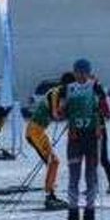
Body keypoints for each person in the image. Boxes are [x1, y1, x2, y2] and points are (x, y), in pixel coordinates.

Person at [55, 58, 110, 220]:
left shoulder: (95, 86)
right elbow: (59, 112)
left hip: (92, 137)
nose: (79, 75)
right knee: (74, 177)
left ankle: (89, 214)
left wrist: (102, 104)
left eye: (83, 72)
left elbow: (108, 111)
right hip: (75, 138)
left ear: (88, 72)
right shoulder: (68, 89)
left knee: (91, 176)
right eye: (77, 72)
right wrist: (62, 109)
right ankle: (72, 216)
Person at [25, 73, 72, 210]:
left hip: (40, 132)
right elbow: (55, 114)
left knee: (54, 162)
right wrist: (68, 112)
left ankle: (50, 194)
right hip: (34, 132)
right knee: (53, 161)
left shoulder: (59, 94)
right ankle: (49, 196)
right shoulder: (54, 93)